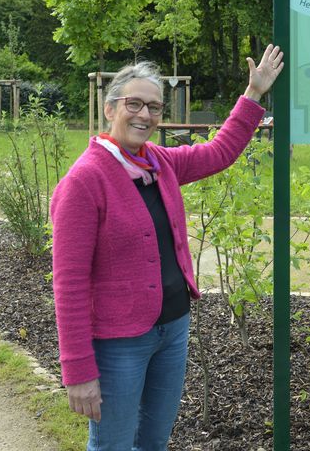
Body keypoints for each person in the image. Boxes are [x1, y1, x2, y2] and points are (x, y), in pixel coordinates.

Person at [50, 44, 284, 450]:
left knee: (154, 441)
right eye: (134, 104)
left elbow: (218, 152)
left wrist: (253, 95)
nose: (145, 115)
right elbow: (68, 285)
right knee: (114, 445)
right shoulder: (84, 182)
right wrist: (78, 371)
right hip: (120, 341)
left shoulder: (158, 163)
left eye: (155, 107)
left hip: (173, 329)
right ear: (110, 109)